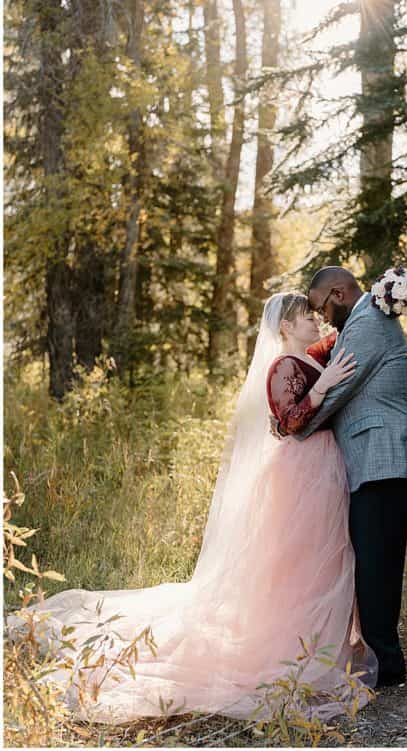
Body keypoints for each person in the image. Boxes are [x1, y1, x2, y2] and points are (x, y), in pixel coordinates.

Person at [8, 293, 377, 724]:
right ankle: (293, 645)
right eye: (305, 318)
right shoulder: (281, 367)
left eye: (315, 316)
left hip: (324, 469)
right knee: (297, 562)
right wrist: (324, 384)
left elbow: (340, 343)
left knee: (325, 556)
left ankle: (323, 638)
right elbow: (288, 421)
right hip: (300, 472)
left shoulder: (311, 357)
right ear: (284, 328)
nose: (315, 322)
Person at [291, 266, 407, 687]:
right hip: (381, 459)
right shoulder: (367, 319)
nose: (324, 318)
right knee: (379, 561)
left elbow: (337, 394)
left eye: (320, 307)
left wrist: (294, 427)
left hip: (382, 457)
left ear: (337, 293)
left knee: (375, 563)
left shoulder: (367, 323)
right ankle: (386, 659)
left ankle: (385, 664)